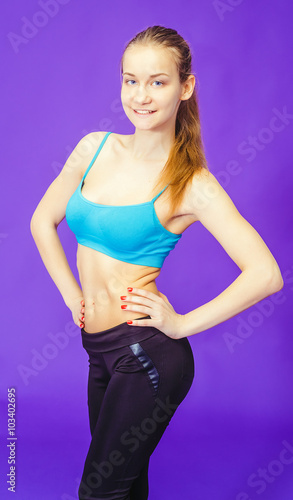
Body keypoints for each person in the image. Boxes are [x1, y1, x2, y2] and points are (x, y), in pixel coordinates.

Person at [30, 25, 283, 500]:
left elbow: (266, 273)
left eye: (158, 81)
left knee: (99, 491)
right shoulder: (93, 148)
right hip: (97, 350)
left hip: (146, 355)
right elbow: (42, 221)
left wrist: (182, 324)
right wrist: (72, 297)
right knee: (125, 487)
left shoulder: (192, 183)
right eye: (131, 80)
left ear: (185, 87)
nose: (141, 96)